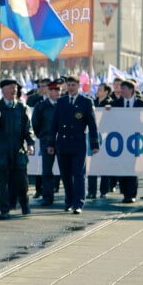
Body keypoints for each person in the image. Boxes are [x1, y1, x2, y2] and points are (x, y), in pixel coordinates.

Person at [47, 75, 99, 214]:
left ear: (78, 86)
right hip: (62, 144)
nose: (71, 88)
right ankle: (68, 201)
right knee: (65, 175)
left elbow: (92, 125)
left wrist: (94, 144)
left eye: (73, 85)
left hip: (78, 144)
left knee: (78, 174)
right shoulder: (61, 101)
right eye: (69, 85)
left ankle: (78, 203)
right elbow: (54, 124)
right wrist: (51, 143)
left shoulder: (86, 102)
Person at [0, 79, 35, 220]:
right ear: (3, 90)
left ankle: (24, 204)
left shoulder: (21, 107)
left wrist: (30, 143)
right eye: (11, 88)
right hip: (1, 152)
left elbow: (28, 129)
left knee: (21, 181)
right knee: (3, 184)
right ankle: (4, 209)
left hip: (18, 151)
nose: (14, 91)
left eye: (15, 88)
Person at [107, 79, 143, 203]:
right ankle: (124, 192)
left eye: (123, 88)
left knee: (131, 167)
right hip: (120, 140)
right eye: (120, 88)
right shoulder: (115, 104)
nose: (121, 91)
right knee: (121, 167)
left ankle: (131, 194)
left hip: (134, 139)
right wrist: (107, 111)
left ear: (131, 90)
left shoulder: (142, 104)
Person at [31, 80, 60, 206]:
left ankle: (70, 199)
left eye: (57, 90)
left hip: (62, 141)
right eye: (52, 90)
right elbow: (35, 124)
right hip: (47, 141)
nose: (55, 92)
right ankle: (47, 197)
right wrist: (43, 137)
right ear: (48, 91)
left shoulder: (64, 104)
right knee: (47, 171)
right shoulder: (41, 106)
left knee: (67, 171)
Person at [87, 83, 114, 199]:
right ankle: (91, 191)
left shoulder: (111, 103)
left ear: (106, 92)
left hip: (105, 137)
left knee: (104, 165)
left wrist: (110, 110)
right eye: (97, 88)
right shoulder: (92, 102)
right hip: (93, 137)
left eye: (100, 89)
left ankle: (104, 190)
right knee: (92, 165)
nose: (97, 90)